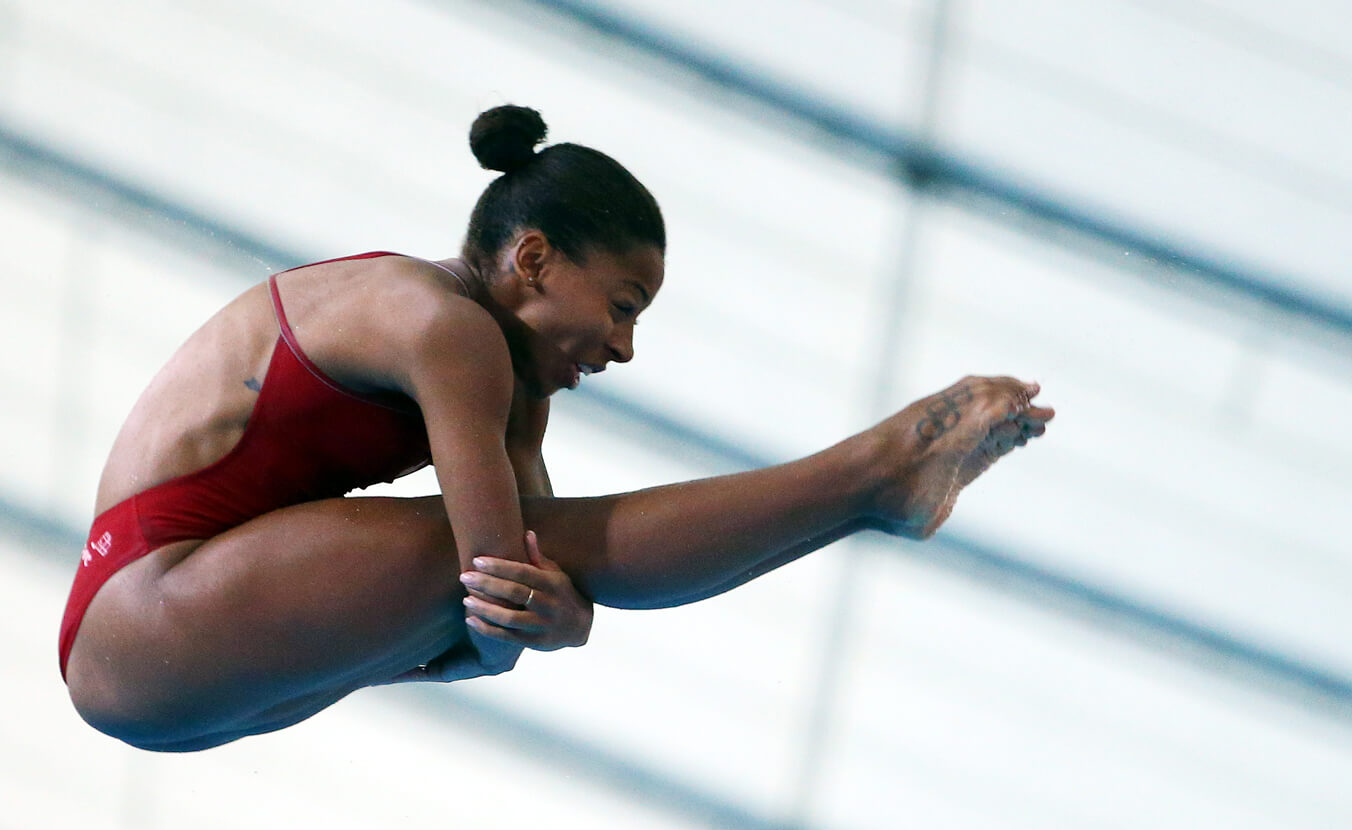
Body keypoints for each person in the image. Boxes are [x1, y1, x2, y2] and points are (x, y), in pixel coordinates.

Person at [60, 105, 1053, 753]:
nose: (621, 348)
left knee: (557, 551)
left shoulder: (511, 381)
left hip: (194, 668)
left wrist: (557, 619)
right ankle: (874, 472)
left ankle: (868, 496)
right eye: (621, 305)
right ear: (532, 260)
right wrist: (546, 622)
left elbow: (526, 598)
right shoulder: (440, 327)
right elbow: (501, 590)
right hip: (144, 618)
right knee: (544, 552)